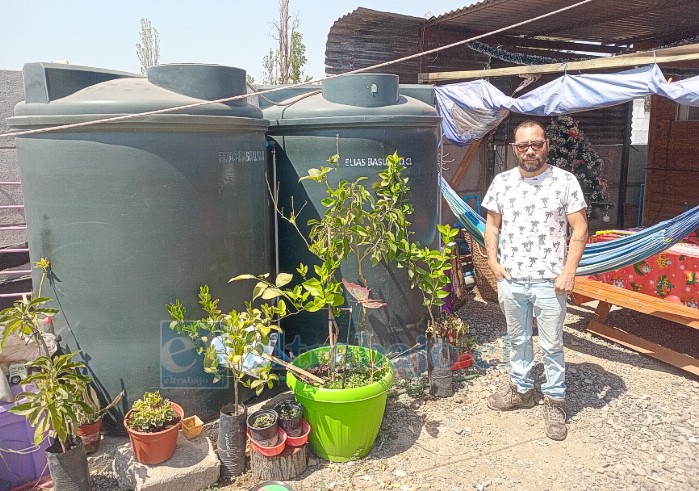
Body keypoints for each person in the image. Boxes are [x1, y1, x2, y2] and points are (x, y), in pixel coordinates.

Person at [481, 120, 588, 441]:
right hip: (512, 279)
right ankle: (522, 390)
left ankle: (555, 400)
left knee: (552, 344)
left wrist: (569, 271)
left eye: (536, 144)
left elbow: (580, 229)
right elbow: (492, 226)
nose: (530, 151)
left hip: (550, 281)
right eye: (523, 146)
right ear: (515, 149)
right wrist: (491, 261)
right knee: (517, 339)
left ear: (547, 145)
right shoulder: (502, 183)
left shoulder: (565, 182)